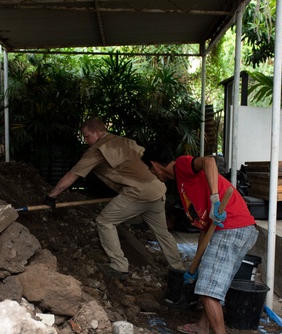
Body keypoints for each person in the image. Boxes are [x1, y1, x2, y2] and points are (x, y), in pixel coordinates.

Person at [143, 142, 258, 334]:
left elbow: (209, 162)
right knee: (210, 282)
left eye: (150, 170)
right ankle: (203, 327)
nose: (152, 174)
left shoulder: (182, 166)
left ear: (155, 165)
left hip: (232, 227)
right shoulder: (182, 184)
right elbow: (206, 229)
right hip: (236, 229)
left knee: (208, 289)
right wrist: (195, 265)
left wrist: (215, 198)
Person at [45, 117, 185, 280]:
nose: (85, 140)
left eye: (86, 136)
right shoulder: (123, 140)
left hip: (138, 192)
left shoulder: (97, 150)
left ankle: (119, 266)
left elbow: (72, 175)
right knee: (163, 234)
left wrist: (51, 196)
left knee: (105, 221)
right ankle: (179, 269)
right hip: (158, 189)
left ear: (97, 133)